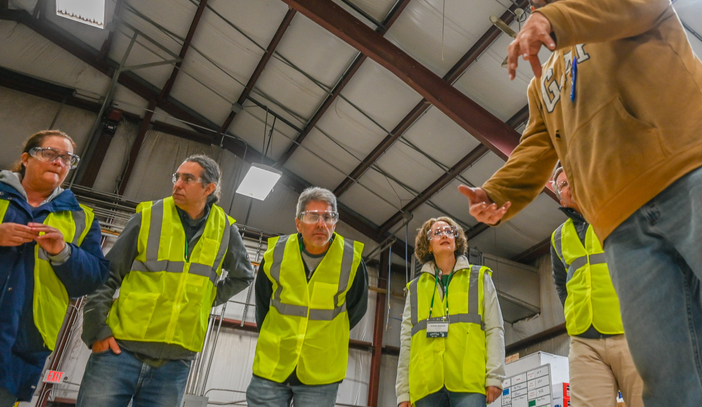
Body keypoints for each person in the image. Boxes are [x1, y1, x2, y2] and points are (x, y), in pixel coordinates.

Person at [459, 0, 702, 407]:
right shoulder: (543, 83)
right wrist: (495, 191)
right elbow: (539, 144)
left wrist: (555, 22)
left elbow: (633, 4)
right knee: (668, 376)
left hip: (698, 171)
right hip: (621, 225)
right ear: (530, 4)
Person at [76, 154, 253, 407]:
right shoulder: (148, 216)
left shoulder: (225, 229)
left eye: (188, 179)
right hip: (119, 352)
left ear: (209, 188)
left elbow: (244, 275)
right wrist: (96, 331)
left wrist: (205, 299)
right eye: (177, 177)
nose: (177, 184)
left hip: (175, 363)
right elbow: (107, 274)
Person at [0, 130, 109, 407]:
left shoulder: (81, 218)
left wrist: (63, 252)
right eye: (50, 154)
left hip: (22, 344)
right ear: (26, 158)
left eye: (67, 158)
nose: (59, 162)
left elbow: (94, 278)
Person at [246, 187, 368, 407]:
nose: (321, 223)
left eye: (327, 217)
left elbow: (356, 309)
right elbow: (263, 304)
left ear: (335, 223)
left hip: (321, 373)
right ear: (298, 223)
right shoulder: (276, 254)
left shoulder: (352, 261)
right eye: (312, 216)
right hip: (273, 366)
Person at [549, 165, 642, 407]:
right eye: (564, 185)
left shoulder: (619, 214)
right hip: (584, 342)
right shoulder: (558, 237)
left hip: (631, 332)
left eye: (575, 179)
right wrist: (573, 314)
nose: (571, 187)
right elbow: (562, 284)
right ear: (559, 194)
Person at [396, 216, 504, 407]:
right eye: (437, 233)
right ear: (428, 246)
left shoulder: (479, 278)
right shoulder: (415, 289)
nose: (444, 235)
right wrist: (403, 392)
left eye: (449, 231)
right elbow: (407, 342)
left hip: (468, 382)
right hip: (425, 385)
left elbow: (495, 329)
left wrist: (494, 376)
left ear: (456, 241)